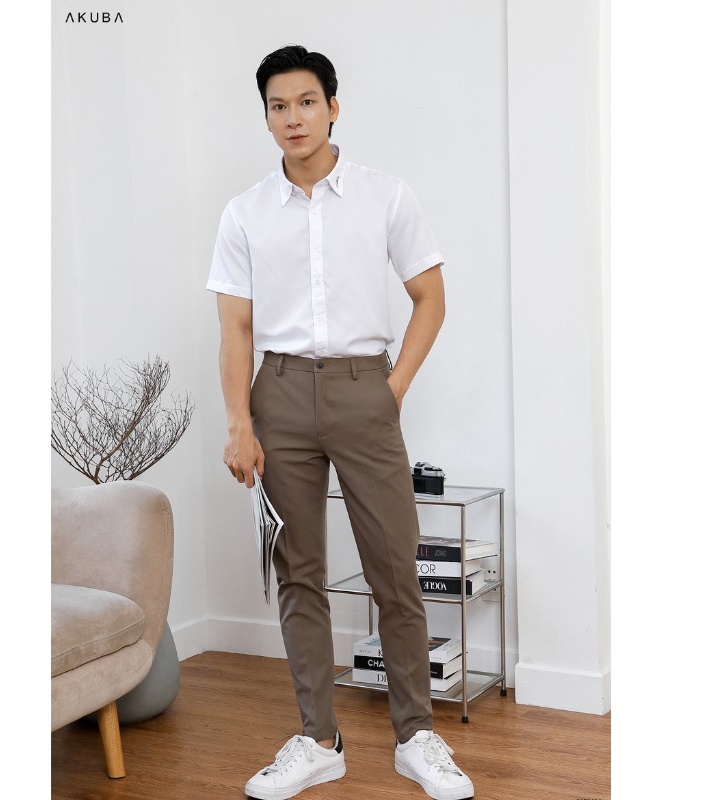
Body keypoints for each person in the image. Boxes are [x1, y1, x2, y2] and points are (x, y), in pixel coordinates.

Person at [205, 44, 474, 800]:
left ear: (332, 106)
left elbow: (430, 297)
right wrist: (239, 422)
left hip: (365, 391)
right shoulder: (244, 212)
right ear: (266, 117)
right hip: (279, 395)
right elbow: (234, 330)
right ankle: (319, 740)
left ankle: (416, 738)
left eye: (306, 102)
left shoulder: (386, 196)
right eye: (278, 106)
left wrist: (393, 388)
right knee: (299, 573)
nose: (293, 118)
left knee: (395, 567)